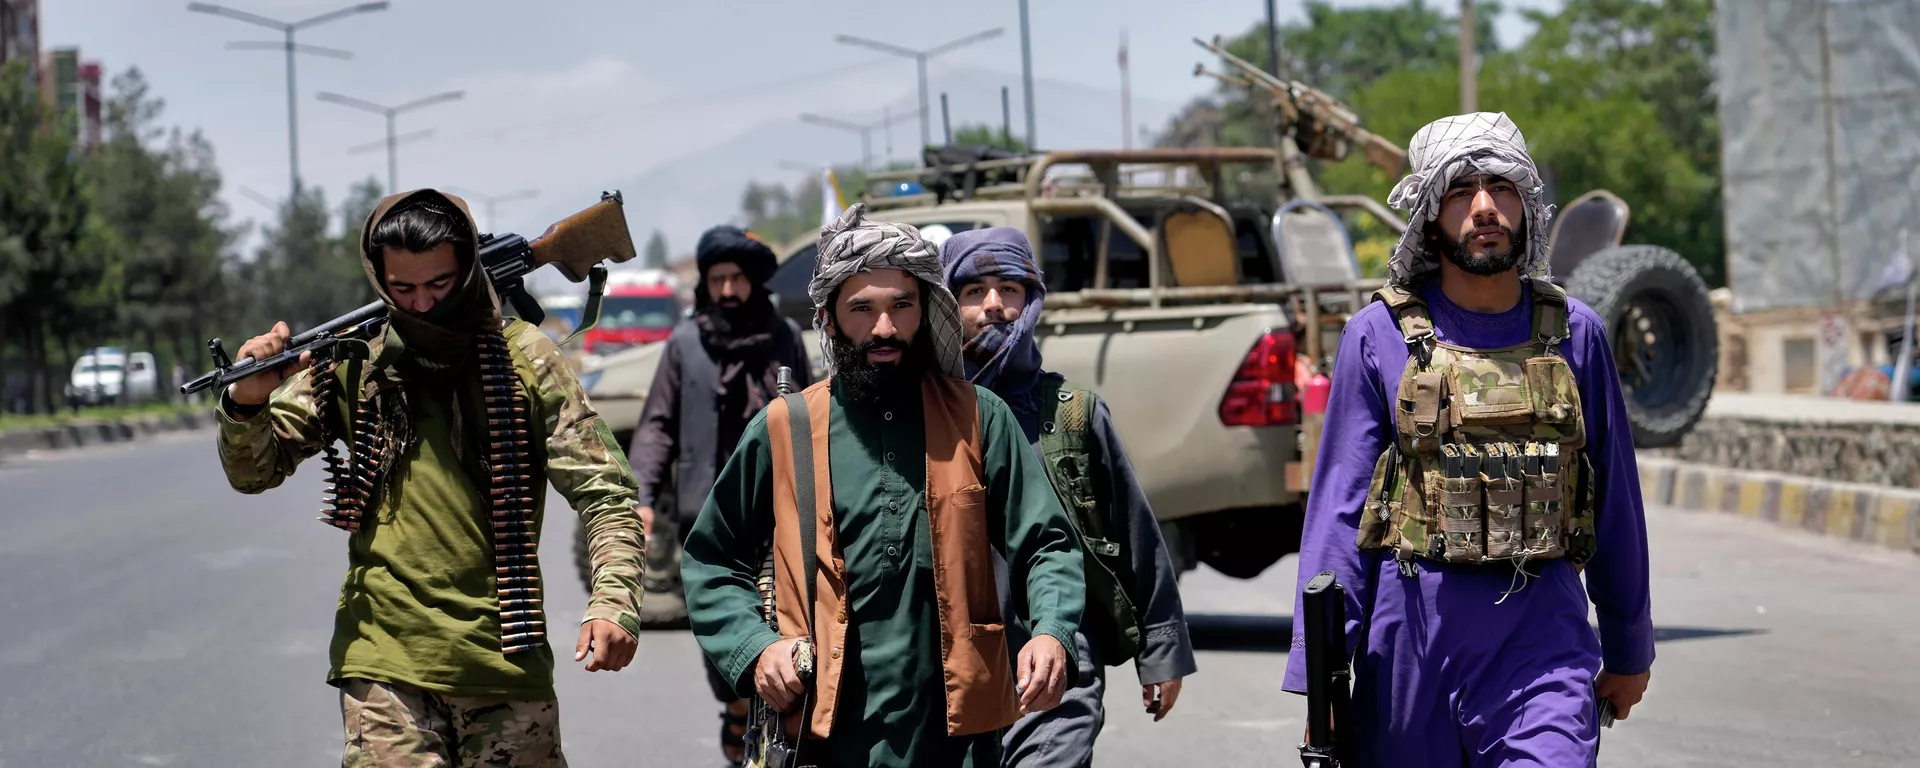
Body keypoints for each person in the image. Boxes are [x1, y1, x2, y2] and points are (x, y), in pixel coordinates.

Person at [214, 189, 644, 767]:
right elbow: (254, 470)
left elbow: (605, 493)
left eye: (439, 285)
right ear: (378, 278)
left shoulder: (524, 359)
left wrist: (614, 602)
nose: (421, 305)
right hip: (385, 659)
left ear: (469, 269)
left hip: (505, 663)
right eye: (403, 289)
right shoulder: (354, 361)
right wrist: (246, 401)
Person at [1282, 112, 1654, 767]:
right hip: (1409, 646)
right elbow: (1339, 513)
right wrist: (1322, 676)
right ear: (1430, 214)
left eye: (1501, 188)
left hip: (1541, 643)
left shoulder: (1578, 334)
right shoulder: (1376, 337)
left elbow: (1614, 503)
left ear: (1527, 207)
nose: (1484, 207)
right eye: (1460, 192)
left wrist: (1627, 646)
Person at [680, 204, 1087, 767]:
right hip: (823, 736)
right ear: (827, 319)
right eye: (861, 310)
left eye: (901, 306)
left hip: (956, 739)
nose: (884, 329)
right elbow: (711, 558)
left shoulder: (979, 417)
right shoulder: (786, 428)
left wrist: (1052, 631)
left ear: (925, 311)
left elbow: (1048, 542)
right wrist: (756, 647)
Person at [938, 227, 1197, 767]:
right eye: (973, 291)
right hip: (946, 672)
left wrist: (1162, 652)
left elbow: (1134, 531)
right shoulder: (922, 413)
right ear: (946, 304)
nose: (994, 306)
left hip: (1056, 663)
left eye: (1010, 289)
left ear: (1031, 300)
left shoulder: (1073, 414)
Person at [625, 224, 812, 764]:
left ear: (754, 282)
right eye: (718, 280)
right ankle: (738, 709)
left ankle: (764, 724)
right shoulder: (684, 344)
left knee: (781, 626)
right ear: (706, 284)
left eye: (737, 279)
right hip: (706, 523)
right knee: (720, 631)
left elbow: (806, 417)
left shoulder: (783, 338)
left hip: (777, 519)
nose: (729, 291)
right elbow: (658, 425)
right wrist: (641, 497)